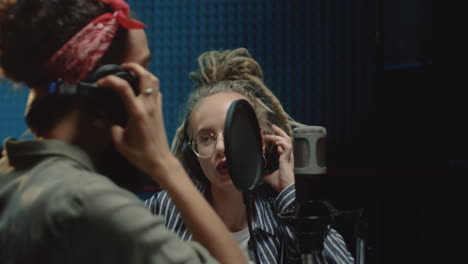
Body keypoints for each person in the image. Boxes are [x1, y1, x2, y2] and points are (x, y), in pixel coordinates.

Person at [0, 0, 246, 263]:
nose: (151, 89)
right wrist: (163, 162)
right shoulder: (91, 204)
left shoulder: (10, 174)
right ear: (109, 91)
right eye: (140, 72)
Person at [145, 48, 355, 263]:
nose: (220, 147)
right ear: (193, 153)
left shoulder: (283, 214)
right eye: (206, 138)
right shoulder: (163, 211)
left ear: (262, 143)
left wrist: (291, 195)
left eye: (233, 133)